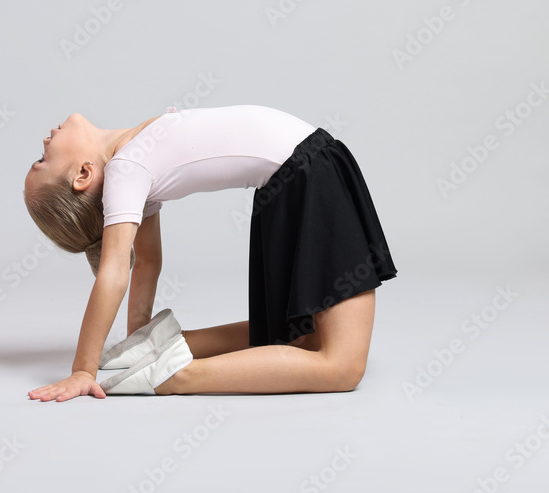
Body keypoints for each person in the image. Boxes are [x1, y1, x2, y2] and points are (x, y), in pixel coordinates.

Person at [22, 105, 398, 401]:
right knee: (342, 366)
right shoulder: (125, 168)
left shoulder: (131, 156)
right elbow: (116, 271)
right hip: (306, 175)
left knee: (307, 338)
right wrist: (83, 370)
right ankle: (178, 375)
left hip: (299, 175)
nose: (45, 140)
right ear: (82, 175)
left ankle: (168, 347)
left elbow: (149, 262)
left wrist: (137, 336)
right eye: (42, 159)